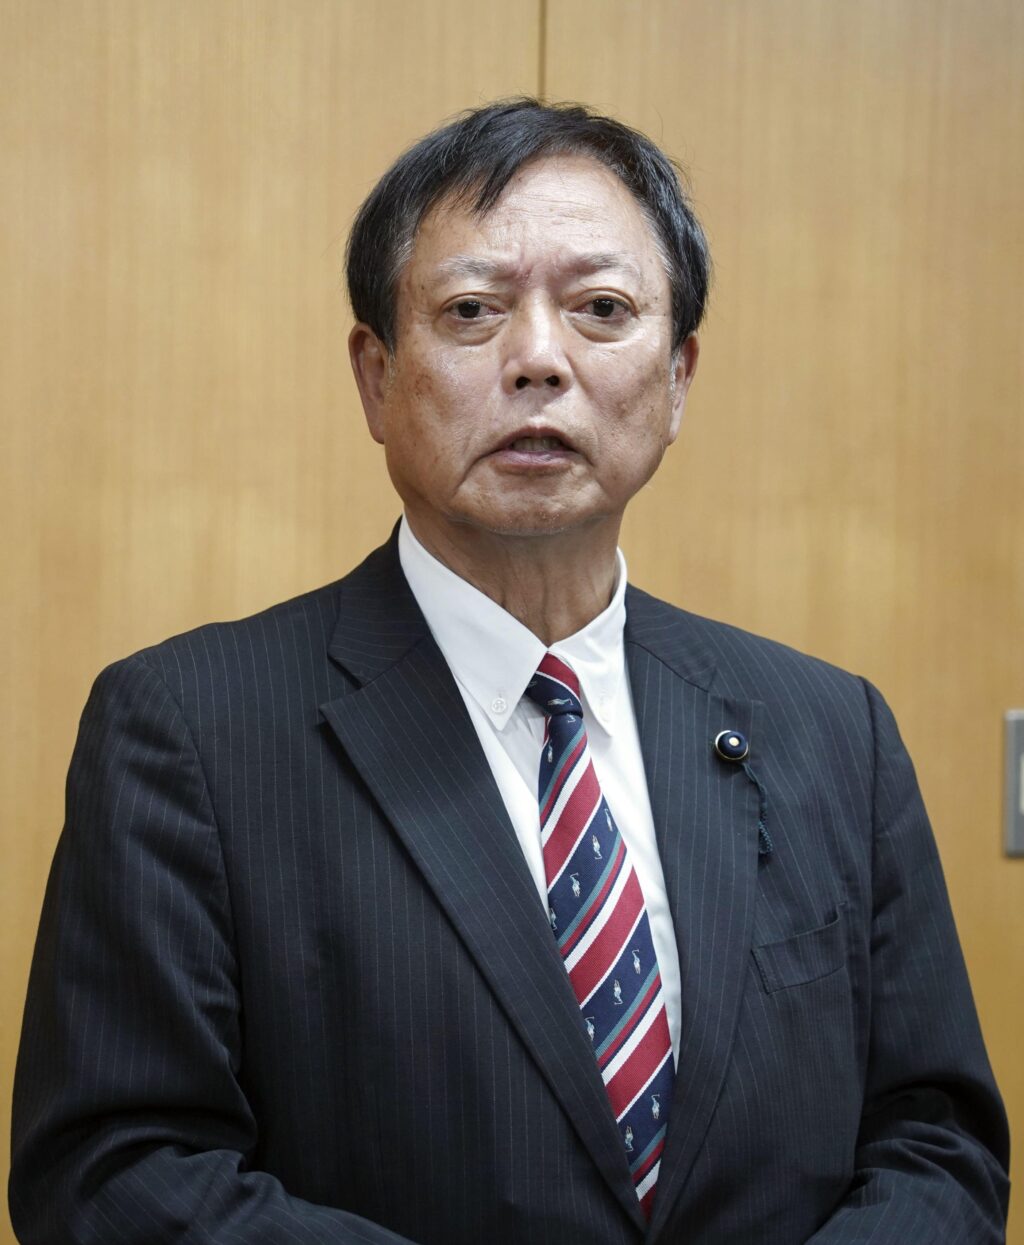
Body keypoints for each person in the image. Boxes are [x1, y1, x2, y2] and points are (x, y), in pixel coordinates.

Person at [9, 99, 1009, 1244]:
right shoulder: (189, 730)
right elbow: (116, 1172)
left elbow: (936, 1141)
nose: (538, 360)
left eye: (601, 310)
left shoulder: (832, 730)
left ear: (678, 378)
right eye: (472, 311)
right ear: (376, 377)